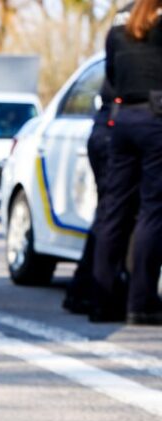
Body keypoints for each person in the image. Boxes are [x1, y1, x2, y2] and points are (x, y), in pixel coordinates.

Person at [91, 0, 162, 325]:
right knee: (152, 210)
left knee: (114, 210)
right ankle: (142, 303)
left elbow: (111, 77)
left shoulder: (118, 31)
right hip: (155, 120)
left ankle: (102, 301)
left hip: (122, 121)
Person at [67, 3, 136, 316]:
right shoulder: (143, 31)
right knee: (115, 215)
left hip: (108, 129)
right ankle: (96, 293)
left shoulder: (126, 24)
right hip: (114, 131)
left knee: (110, 214)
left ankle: (85, 291)